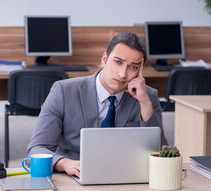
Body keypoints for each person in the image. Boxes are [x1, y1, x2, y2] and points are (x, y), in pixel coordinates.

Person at [27, 32, 168, 178]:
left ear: (140, 70)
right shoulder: (63, 91)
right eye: (118, 62)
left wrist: (144, 103)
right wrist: (64, 163)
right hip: (75, 177)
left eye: (133, 67)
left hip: (125, 177)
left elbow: (163, 157)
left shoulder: (147, 96)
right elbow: (36, 149)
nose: (122, 74)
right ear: (104, 59)